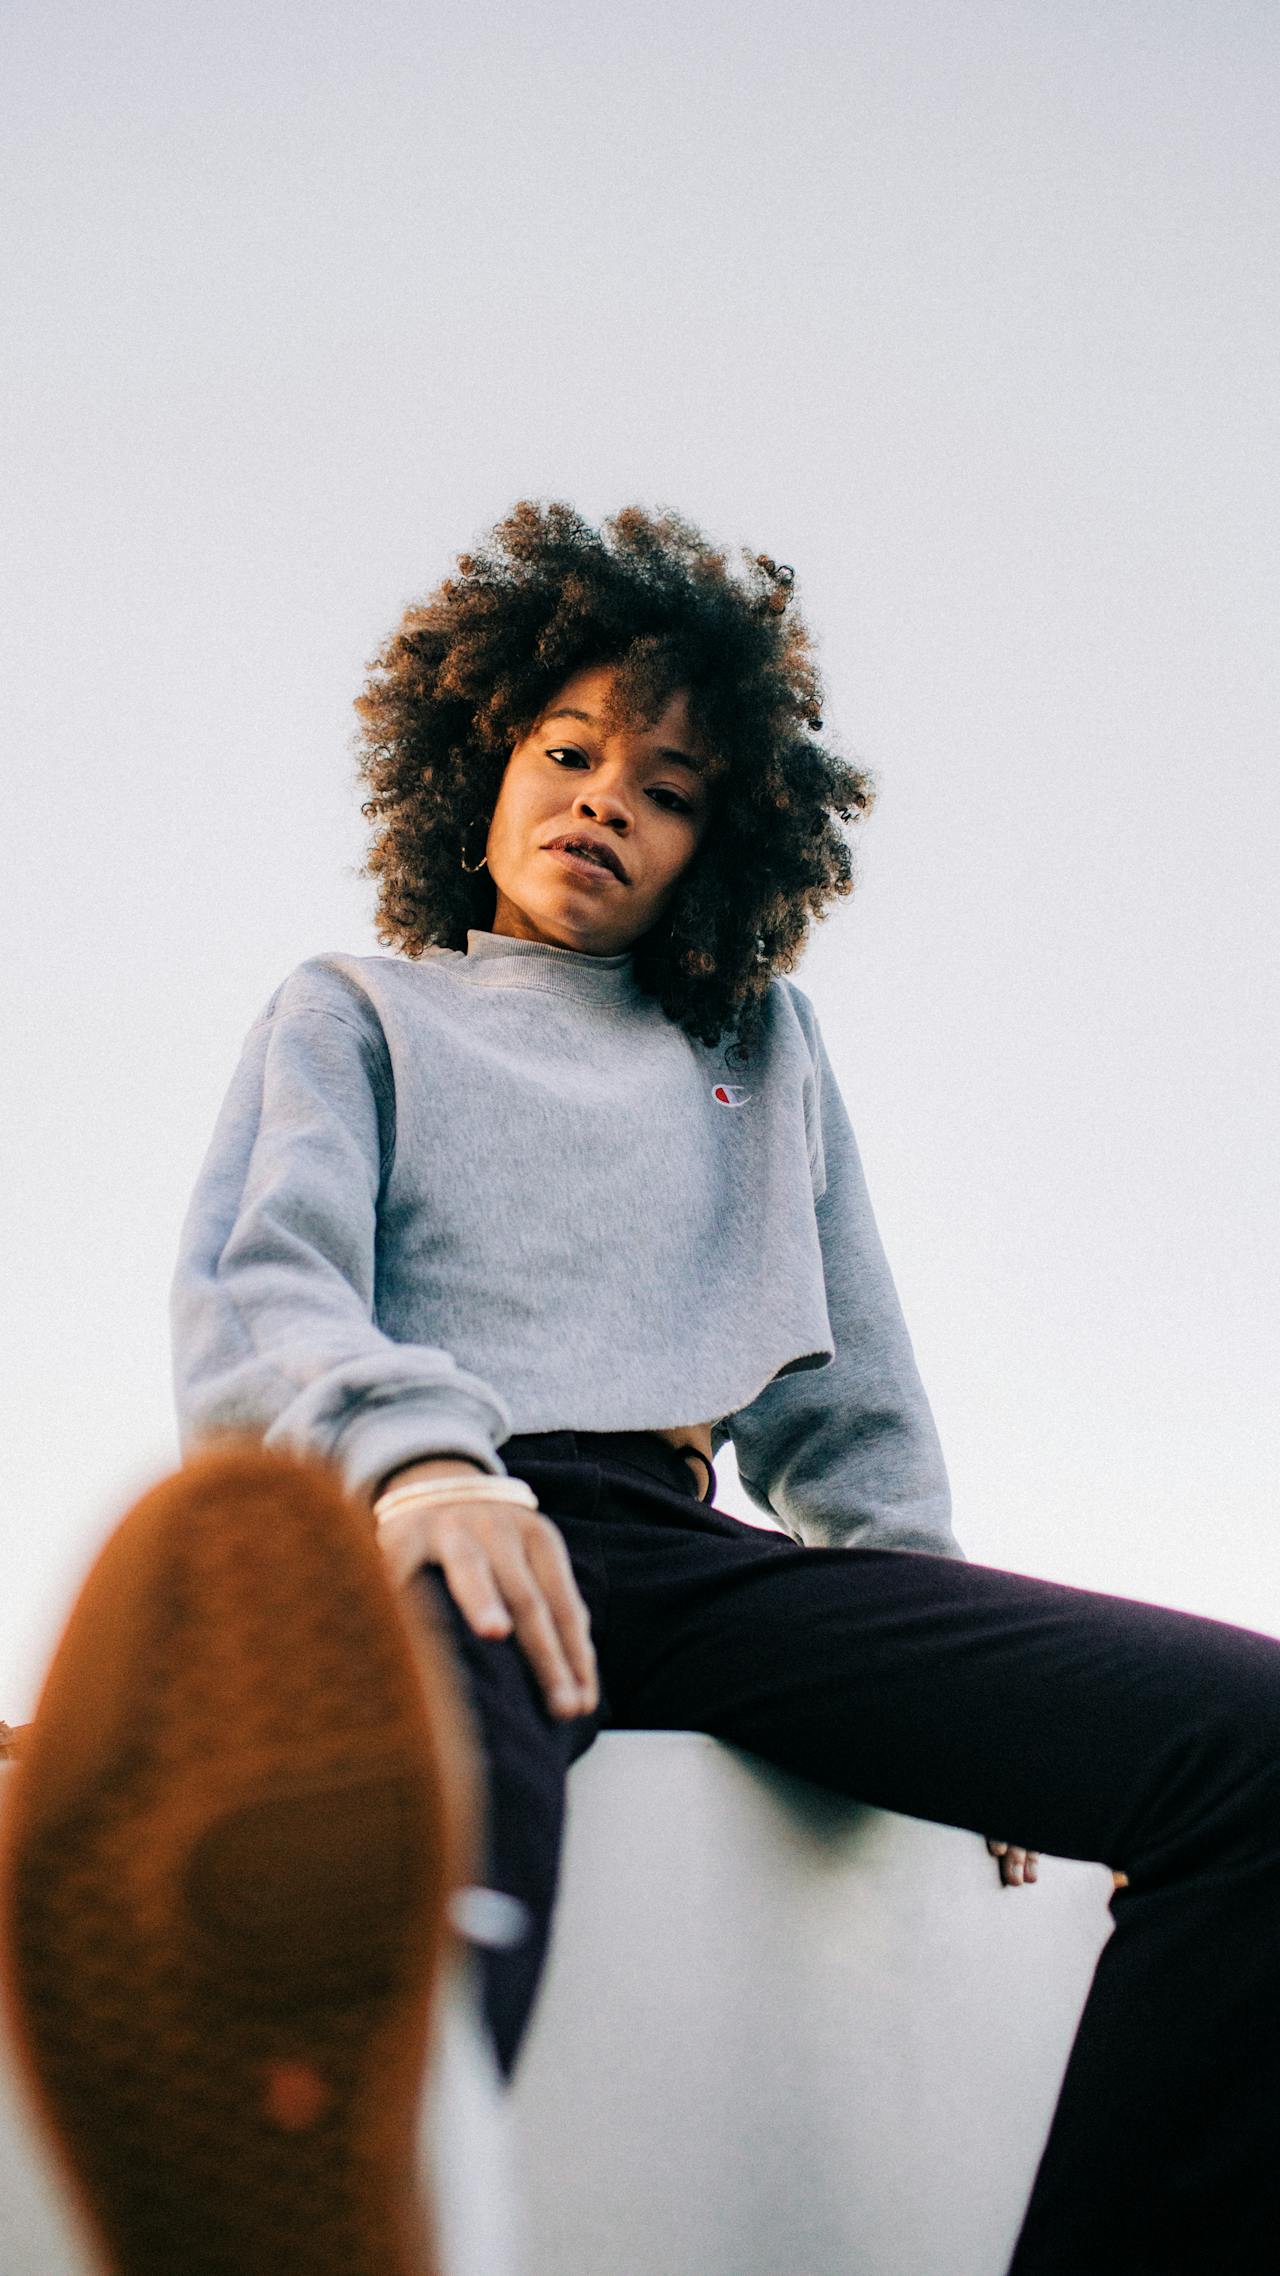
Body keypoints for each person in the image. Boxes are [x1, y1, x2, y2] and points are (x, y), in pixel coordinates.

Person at [2, 501, 1277, 2276]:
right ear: (480, 766)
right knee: (453, 1788)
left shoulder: (756, 1050)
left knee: (1253, 1747)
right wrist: (423, 1467)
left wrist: (968, 1673)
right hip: (460, 1516)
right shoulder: (357, 1010)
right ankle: (369, 2188)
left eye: (668, 788)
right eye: (571, 749)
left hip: (698, 1557)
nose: (608, 797)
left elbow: (851, 1394)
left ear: (720, 849)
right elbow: (260, 1289)